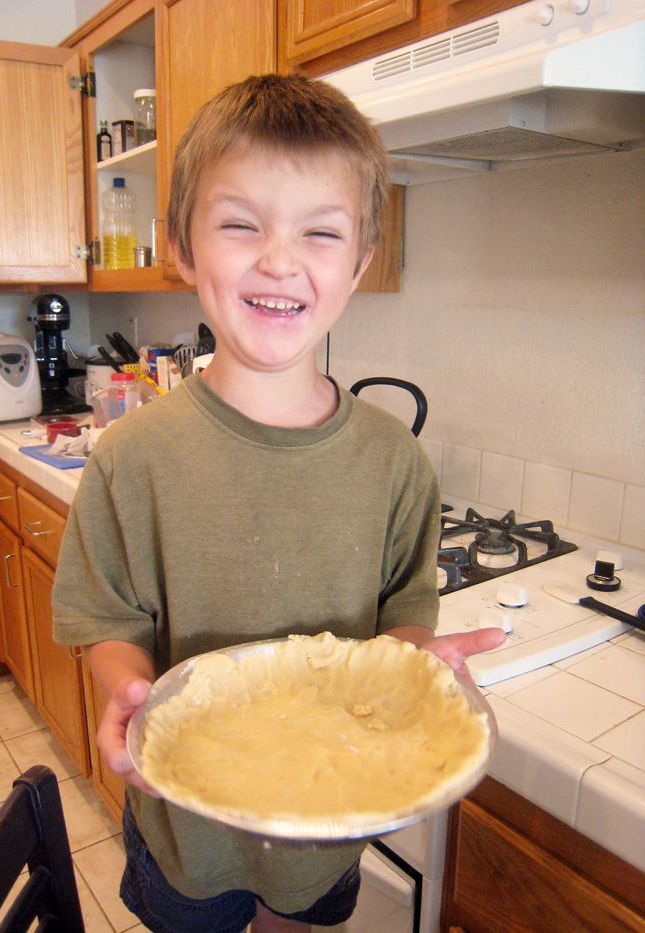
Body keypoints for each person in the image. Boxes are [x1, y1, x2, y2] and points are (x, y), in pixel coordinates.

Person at [52, 73, 505, 933]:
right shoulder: (132, 458)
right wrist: (125, 685)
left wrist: (418, 670)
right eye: (239, 223)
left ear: (361, 262)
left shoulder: (395, 463)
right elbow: (103, 616)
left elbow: (403, 615)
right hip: (182, 819)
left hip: (325, 827)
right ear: (181, 246)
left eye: (321, 232)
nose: (280, 259)